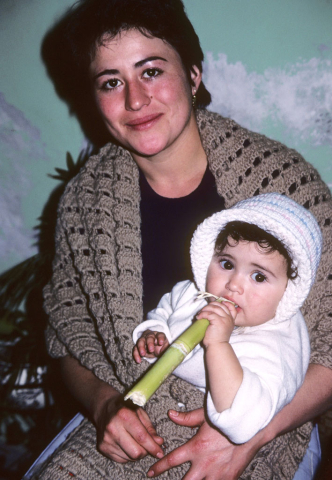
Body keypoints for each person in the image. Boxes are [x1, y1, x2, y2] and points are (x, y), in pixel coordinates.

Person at [34, 0, 332, 478]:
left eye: (151, 71)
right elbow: (68, 335)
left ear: (193, 74)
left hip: (272, 417)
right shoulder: (84, 203)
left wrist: (249, 436)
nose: (134, 100)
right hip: (134, 415)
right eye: (111, 82)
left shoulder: (282, 185)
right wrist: (106, 404)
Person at [132, 193, 321, 444]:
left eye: (259, 277)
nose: (233, 285)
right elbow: (165, 311)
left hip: (215, 436)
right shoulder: (194, 293)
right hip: (152, 411)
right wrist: (156, 334)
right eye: (227, 264)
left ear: (289, 291)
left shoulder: (278, 343)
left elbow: (244, 421)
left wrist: (219, 345)